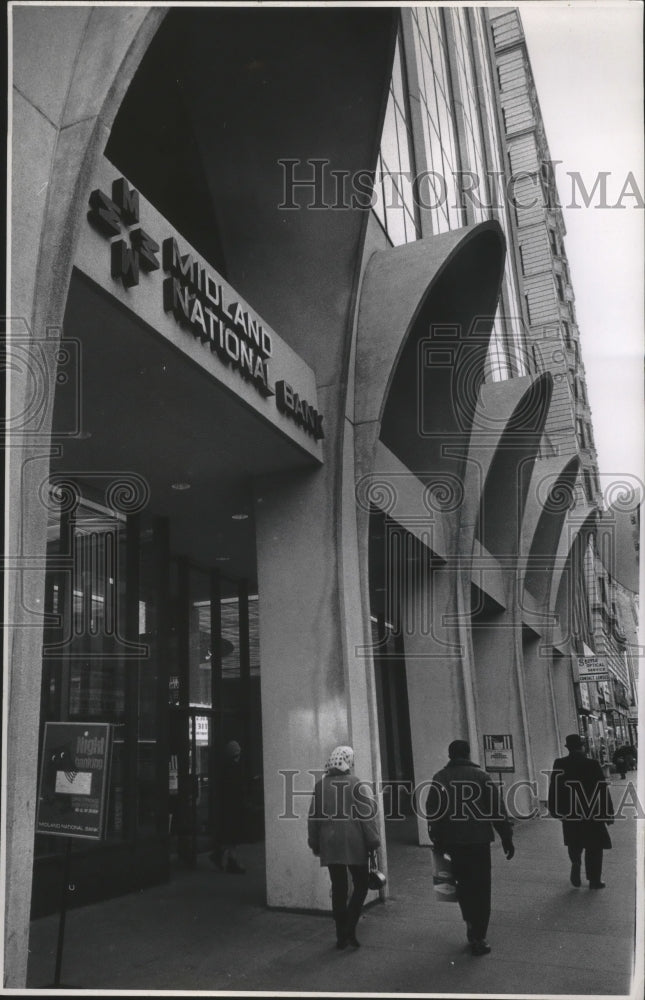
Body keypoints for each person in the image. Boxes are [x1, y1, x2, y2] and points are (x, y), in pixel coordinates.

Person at [425, 739, 515, 957]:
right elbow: (496, 810)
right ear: (468, 754)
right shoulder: (482, 777)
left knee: (461, 886)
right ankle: (479, 936)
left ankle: (469, 923)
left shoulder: (440, 778)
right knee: (481, 889)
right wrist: (506, 837)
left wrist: (436, 839)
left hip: (451, 843)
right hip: (478, 843)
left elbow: (432, 812)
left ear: (450, 755)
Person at [307, 745, 380, 950]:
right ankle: (350, 927)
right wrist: (373, 841)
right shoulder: (355, 783)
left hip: (330, 843)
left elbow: (313, 817)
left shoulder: (320, 786)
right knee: (361, 885)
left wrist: (314, 842)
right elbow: (367, 817)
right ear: (348, 762)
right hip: (354, 842)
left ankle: (341, 934)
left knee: (339, 888)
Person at [547, 733, 614, 889]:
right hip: (591, 811)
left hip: (569, 811)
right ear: (582, 747)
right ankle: (594, 880)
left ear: (568, 748)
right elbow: (601, 789)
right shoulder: (592, 764)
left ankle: (576, 862)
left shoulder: (560, 763)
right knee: (595, 847)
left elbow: (554, 787)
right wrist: (608, 813)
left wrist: (555, 809)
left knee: (574, 841)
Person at [210, 740, 248, 874]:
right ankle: (229, 859)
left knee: (230, 835)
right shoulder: (234, 769)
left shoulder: (226, 768)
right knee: (232, 835)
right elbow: (236, 789)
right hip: (233, 806)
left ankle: (223, 856)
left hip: (228, 806)